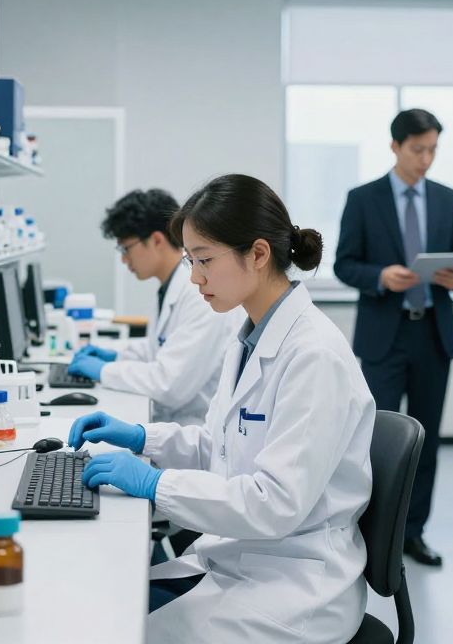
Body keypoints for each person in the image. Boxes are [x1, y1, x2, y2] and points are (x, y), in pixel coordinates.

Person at [69, 174, 375, 643]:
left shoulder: (314, 355)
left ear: (257, 253)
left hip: (297, 583)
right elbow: (221, 446)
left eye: (205, 261)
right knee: (107, 599)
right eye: (192, 260)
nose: (193, 278)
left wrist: (155, 482)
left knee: (118, 628)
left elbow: (274, 504)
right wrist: (142, 437)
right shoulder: (250, 337)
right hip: (243, 559)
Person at [334, 107, 453, 567]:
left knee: (426, 442)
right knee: (375, 441)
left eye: (433, 150)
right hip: (383, 337)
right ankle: (370, 535)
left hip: (432, 335)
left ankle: (413, 533)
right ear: (395, 147)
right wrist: (380, 276)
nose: (426, 159)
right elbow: (343, 263)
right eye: (418, 150)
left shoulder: (448, 199)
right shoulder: (363, 198)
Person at [68, 188, 238, 427]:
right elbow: (160, 347)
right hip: (172, 423)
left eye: (126, 248)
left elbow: (169, 384)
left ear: (156, 240)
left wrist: (104, 371)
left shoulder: (199, 294)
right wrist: (116, 355)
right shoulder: (169, 286)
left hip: (193, 430)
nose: (124, 259)